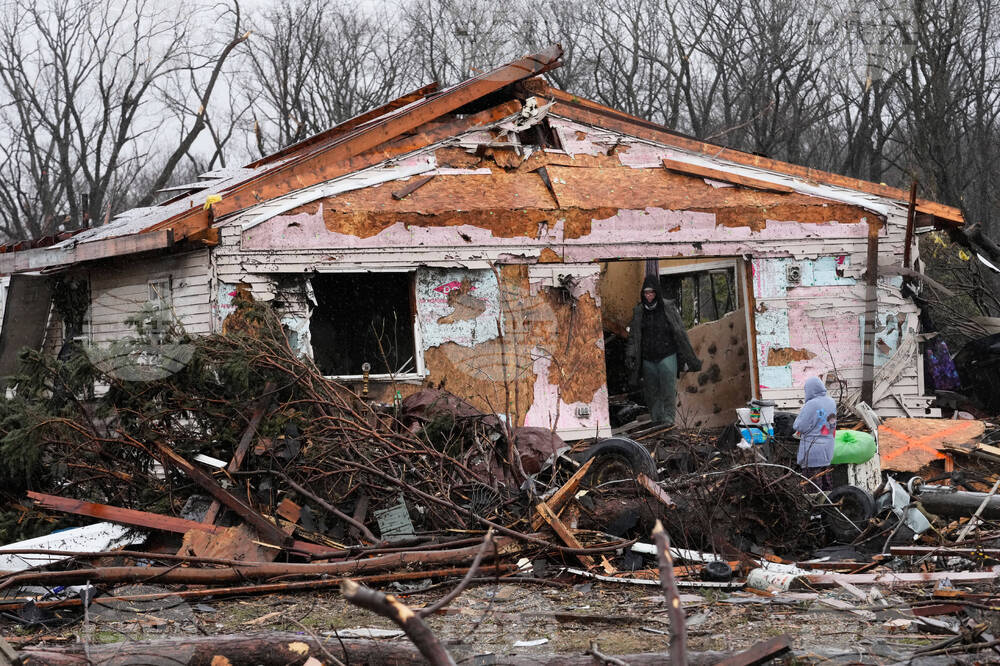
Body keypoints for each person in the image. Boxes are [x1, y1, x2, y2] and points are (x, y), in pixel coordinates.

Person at [625, 275, 702, 426]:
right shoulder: (639, 311)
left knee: (668, 390)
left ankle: (668, 421)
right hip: (648, 358)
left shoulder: (667, 308)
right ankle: (657, 421)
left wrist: (688, 358)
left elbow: (680, 333)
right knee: (652, 394)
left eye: (652, 293)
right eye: (646, 293)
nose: (649, 296)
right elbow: (634, 336)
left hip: (667, 354)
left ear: (657, 293)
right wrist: (630, 355)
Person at [793, 376, 837, 491]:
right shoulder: (831, 402)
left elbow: (799, 426)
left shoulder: (811, 404)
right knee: (826, 485)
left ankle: (814, 508)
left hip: (812, 452)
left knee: (812, 488)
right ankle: (828, 507)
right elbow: (832, 424)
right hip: (827, 449)